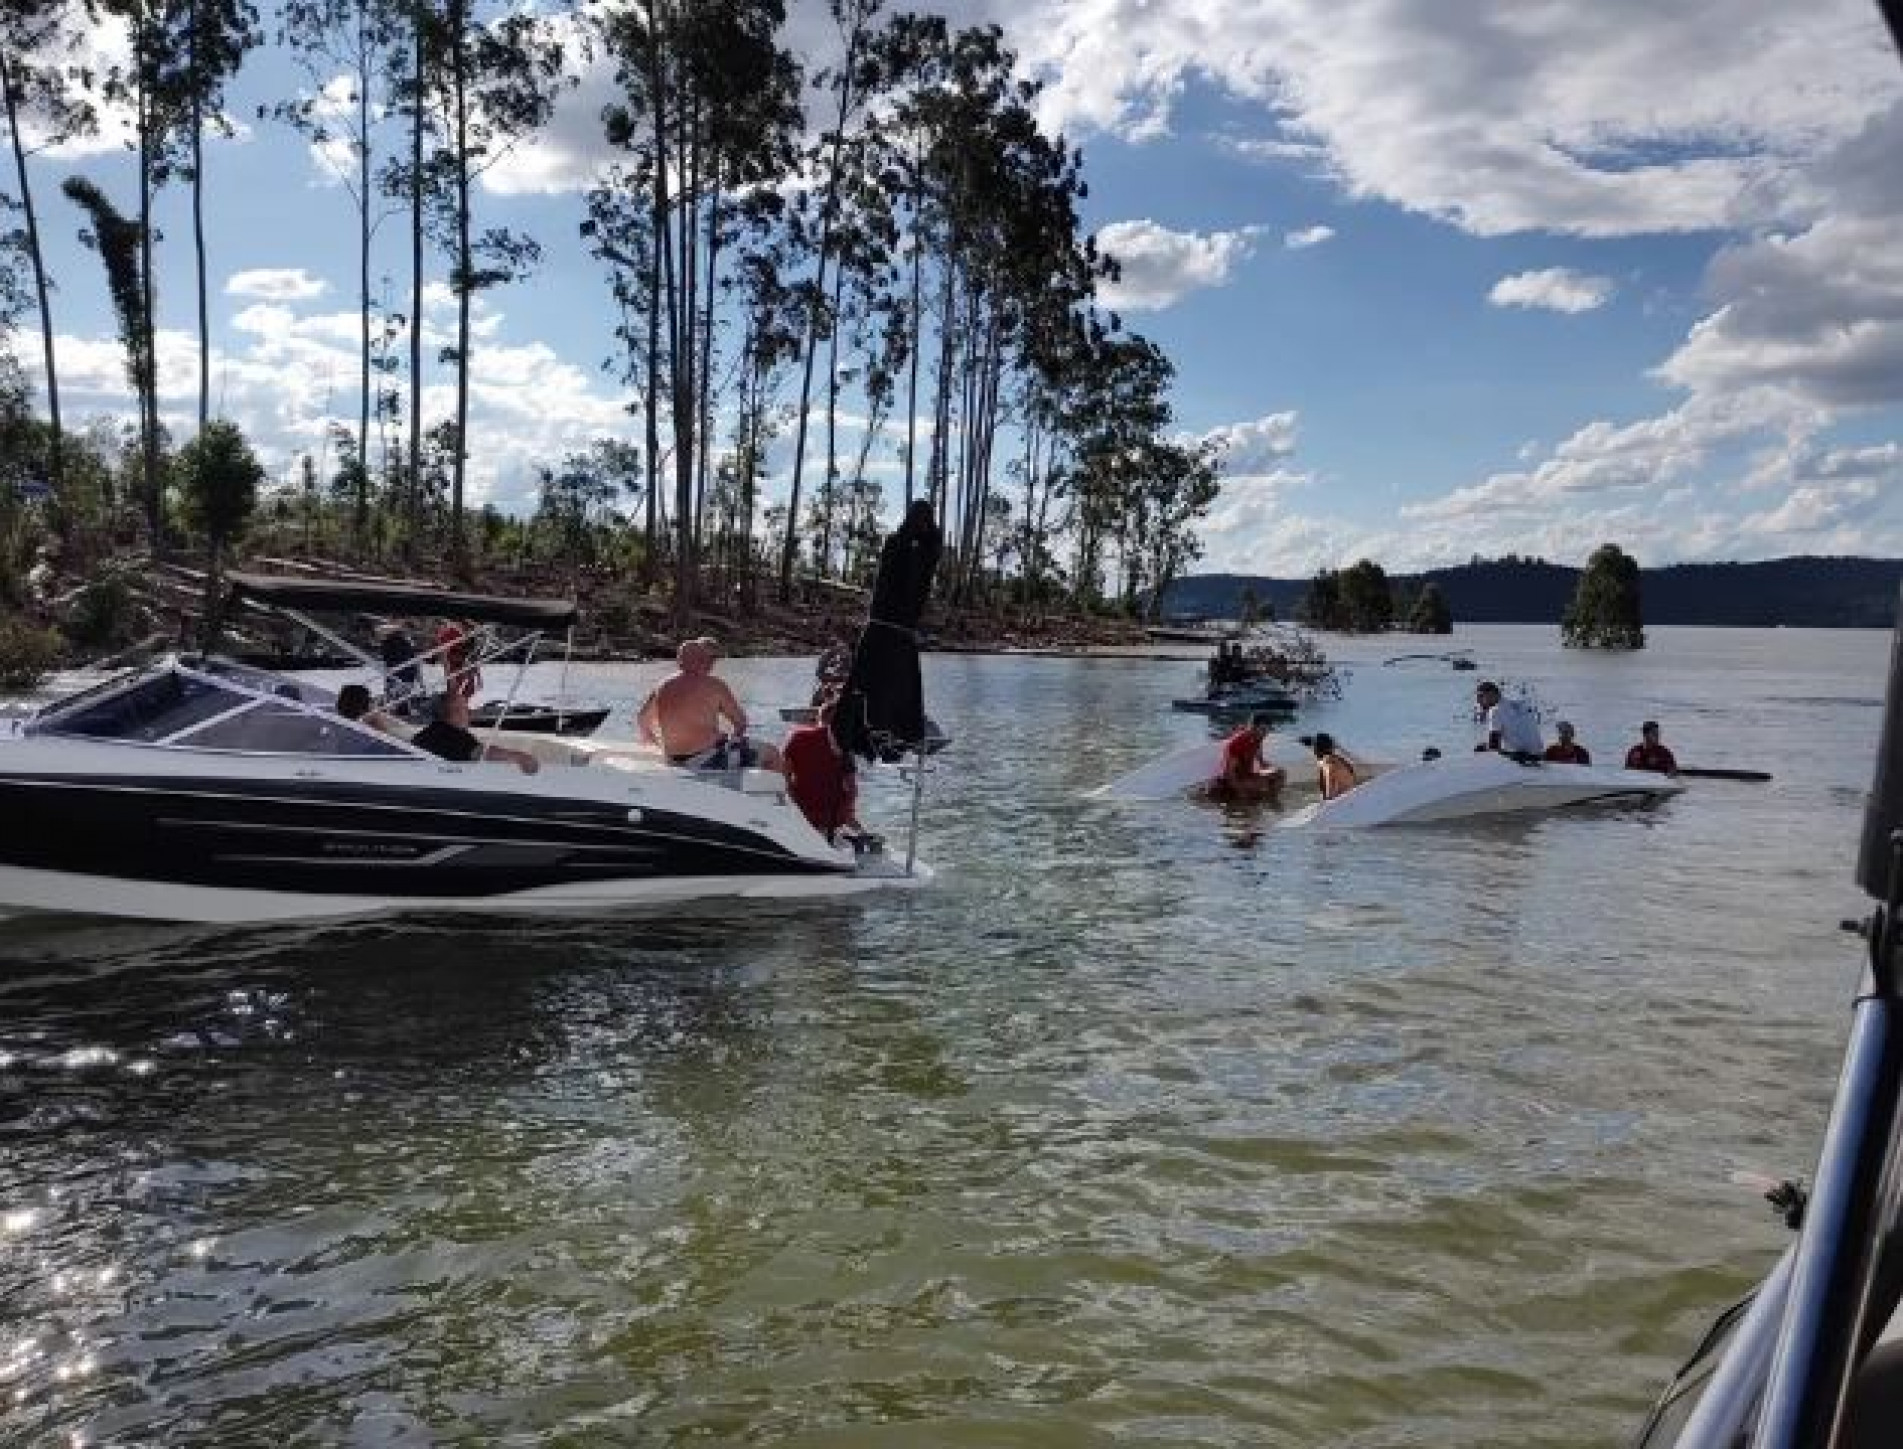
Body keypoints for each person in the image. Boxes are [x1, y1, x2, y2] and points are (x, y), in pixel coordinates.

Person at [637, 636, 782, 771]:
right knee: (773, 754)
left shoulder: (662, 685)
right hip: (708, 758)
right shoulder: (714, 685)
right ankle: (783, 798)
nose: (711, 662)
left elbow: (643, 720)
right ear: (701, 659)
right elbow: (741, 722)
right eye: (709, 658)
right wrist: (731, 741)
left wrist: (657, 743)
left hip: (673, 758)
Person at [781, 691, 862, 842]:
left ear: (819, 718)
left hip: (802, 812)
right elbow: (852, 790)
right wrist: (849, 817)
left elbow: (783, 776)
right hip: (834, 819)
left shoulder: (797, 738)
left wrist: (795, 804)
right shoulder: (844, 746)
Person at [408, 690, 540, 773]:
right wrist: (520, 757)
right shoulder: (455, 737)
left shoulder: (427, 733)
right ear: (455, 713)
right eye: (465, 709)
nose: (470, 713)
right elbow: (483, 753)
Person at [1211, 713, 1285, 800]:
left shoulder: (1257, 739)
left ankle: (1271, 799)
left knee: (1280, 774)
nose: (1265, 734)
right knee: (1261, 785)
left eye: (1267, 731)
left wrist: (1273, 769)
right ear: (1254, 728)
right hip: (1234, 780)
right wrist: (1240, 791)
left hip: (1247, 776)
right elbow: (1229, 772)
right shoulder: (1240, 743)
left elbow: (1261, 762)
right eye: (1263, 730)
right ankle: (1256, 799)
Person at [1474, 680, 1543, 757]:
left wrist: (1484, 747)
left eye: (1481, 696)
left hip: (1524, 758)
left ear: (1491, 694)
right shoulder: (1520, 705)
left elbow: (1494, 746)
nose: (1479, 702)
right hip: (1539, 754)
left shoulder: (1495, 711)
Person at [434, 620, 481, 700]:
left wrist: (479, 677)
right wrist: (450, 676)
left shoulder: (472, 634)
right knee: (457, 694)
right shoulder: (449, 633)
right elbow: (444, 656)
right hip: (455, 669)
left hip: (468, 669)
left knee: (468, 692)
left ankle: (464, 708)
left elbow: (475, 656)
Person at [1311, 731, 1359, 800]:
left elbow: (1330, 793)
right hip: (1350, 798)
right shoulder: (1339, 760)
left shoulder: (1328, 763)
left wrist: (1327, 799)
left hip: (1342, 802)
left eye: (1314, 748)